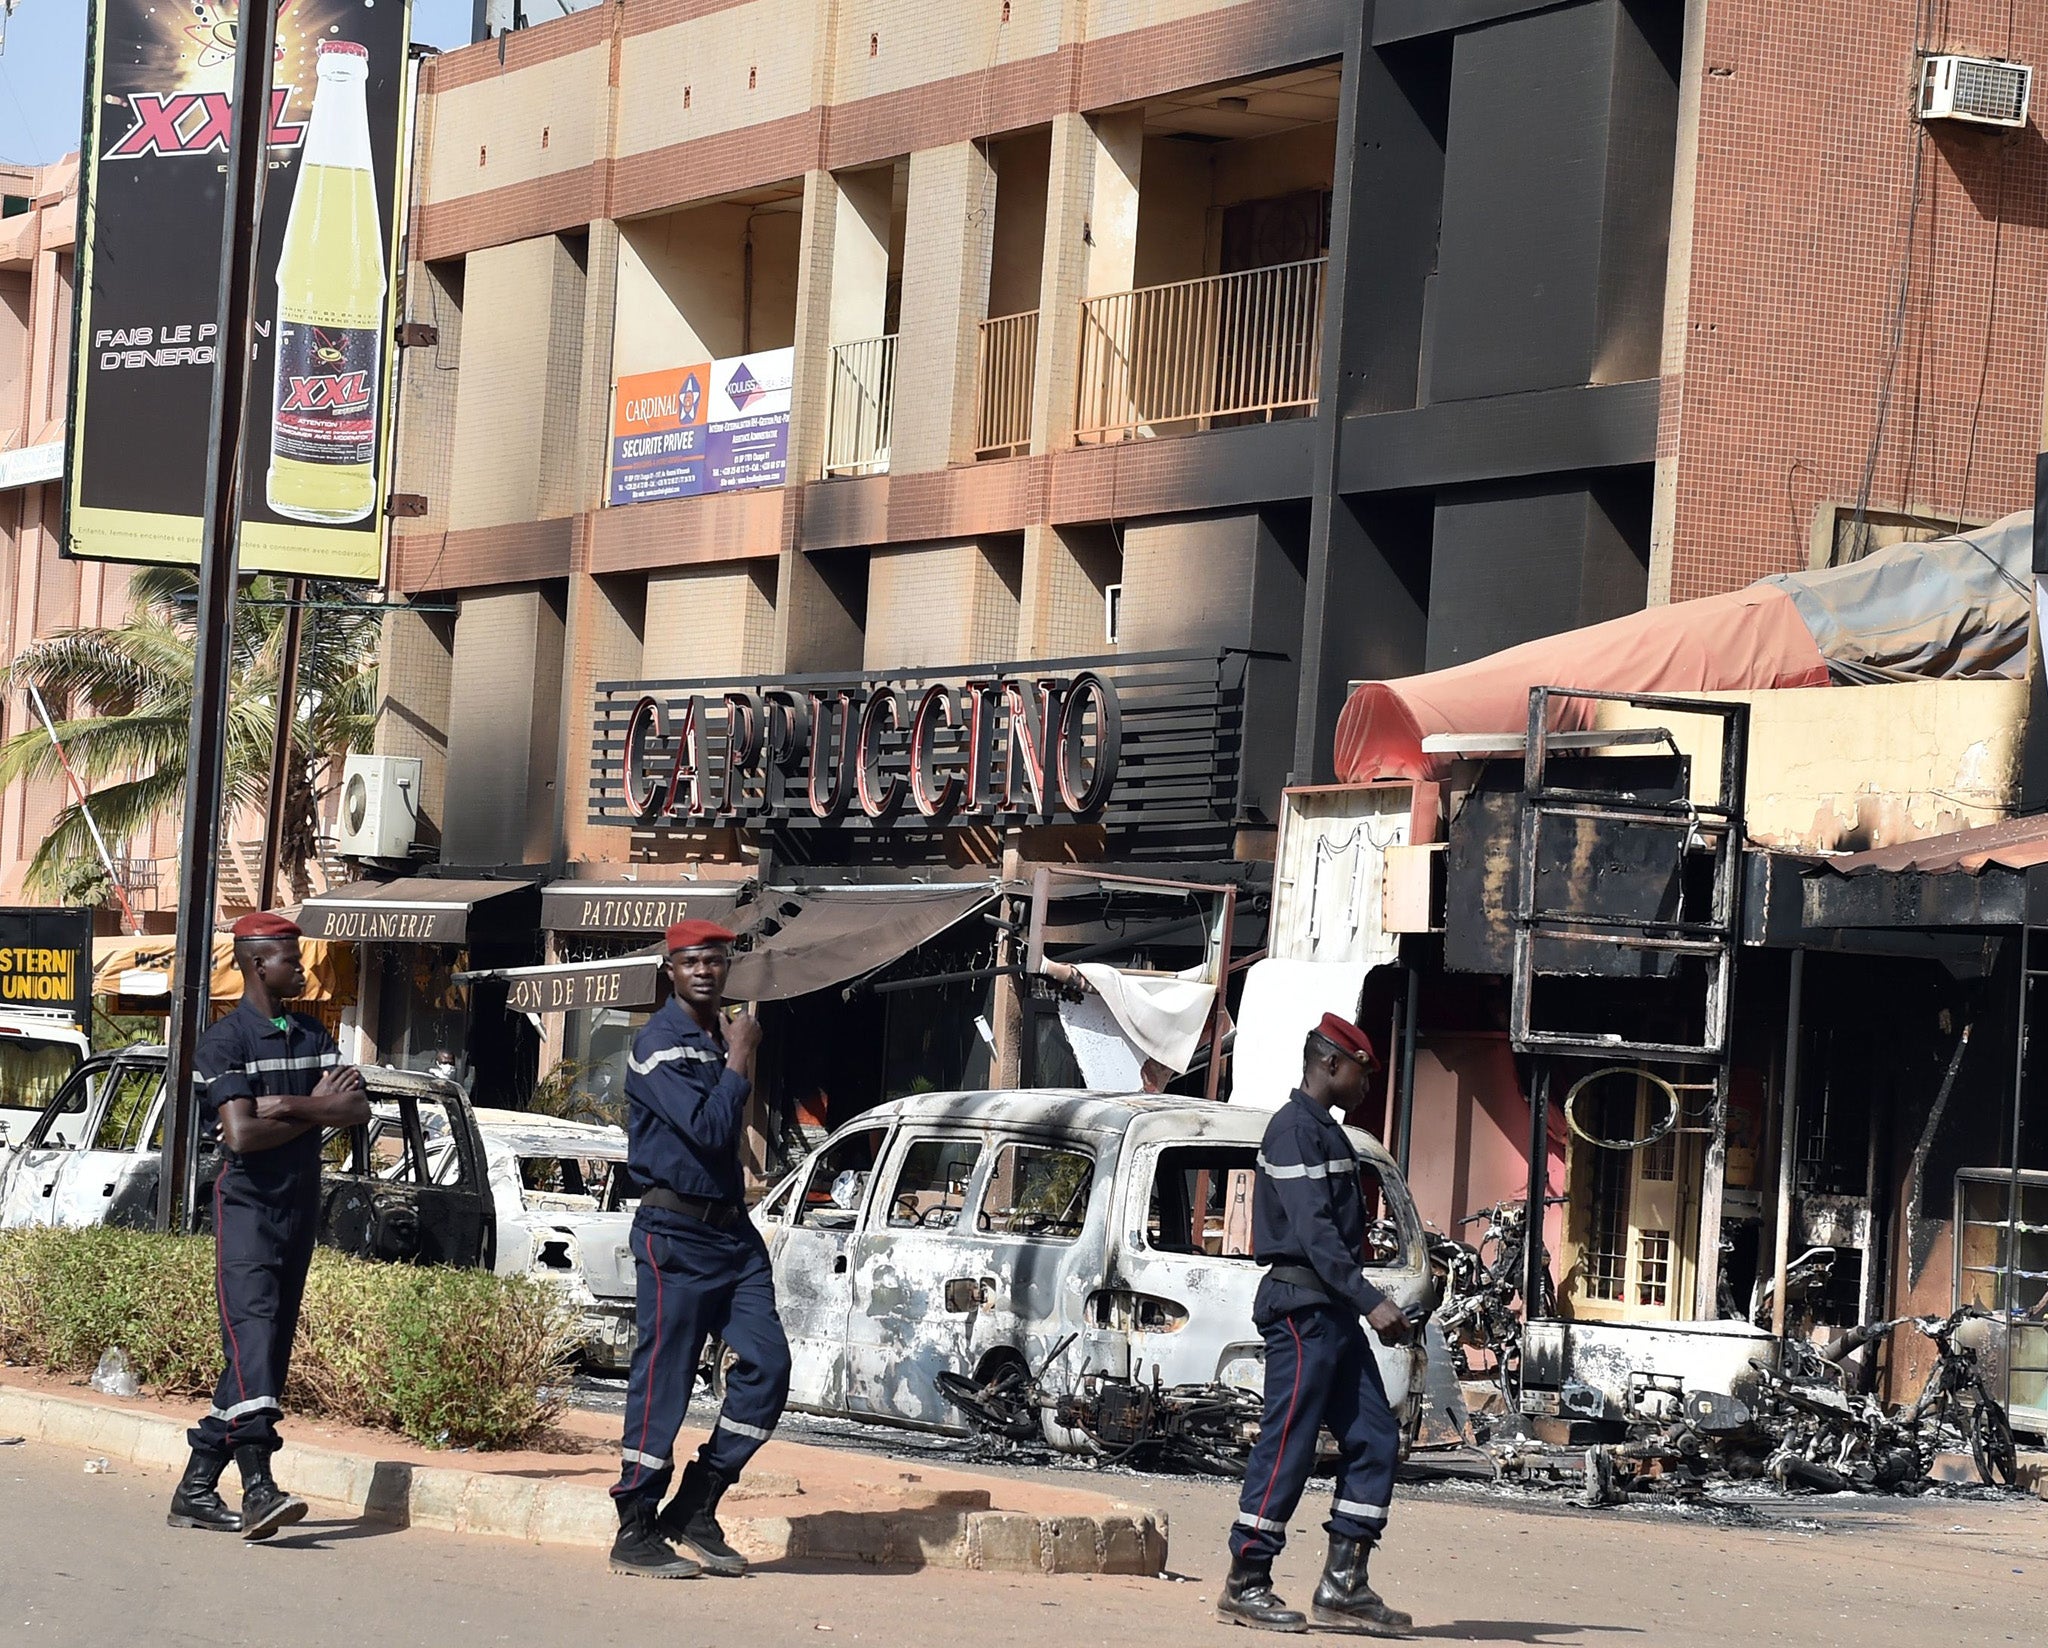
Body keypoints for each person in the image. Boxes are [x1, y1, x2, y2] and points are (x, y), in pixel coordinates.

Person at [167, 911, 369, 1541]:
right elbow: (242, 1135)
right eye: (291, 957)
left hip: (300, 1205)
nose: (303, 967)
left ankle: (196, 1489)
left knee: (264, 1354)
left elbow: (357, 1109)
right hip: (248, 1209)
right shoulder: (224, 1043)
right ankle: (259, 1487)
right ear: (258, 963)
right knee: (252, 1338)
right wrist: (318, 1110)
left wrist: (286, 1104)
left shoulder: (313, 1035)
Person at [609, 919, 791, 1580]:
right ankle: (634, 1528)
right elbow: (713, 1130)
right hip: (675, 1233)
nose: (706, 972)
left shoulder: (717, 1039)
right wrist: (744, 1052)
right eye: (692, 962)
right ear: (671, 970)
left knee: (768, 1367)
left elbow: (732, 1135)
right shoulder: (659, 1044)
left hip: (733, 1235)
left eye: (715, 961)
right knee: (665, 1382)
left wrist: (733, 1049)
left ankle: (697, 1504)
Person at [1219, 1013, 1413, 1635]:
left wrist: (1358, 1298)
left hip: (1329, 1312)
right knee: (1290, 1444)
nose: (1366, 1084)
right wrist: (1370, 1300)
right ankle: (1246, 1581)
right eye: (1363, 1071)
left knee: (1376, 1438)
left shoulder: (1327, 1134)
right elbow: (1316, 1235)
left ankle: (1343, 1585)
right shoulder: (1293, 1132)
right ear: (1331, 1063)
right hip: (1303, 1311)